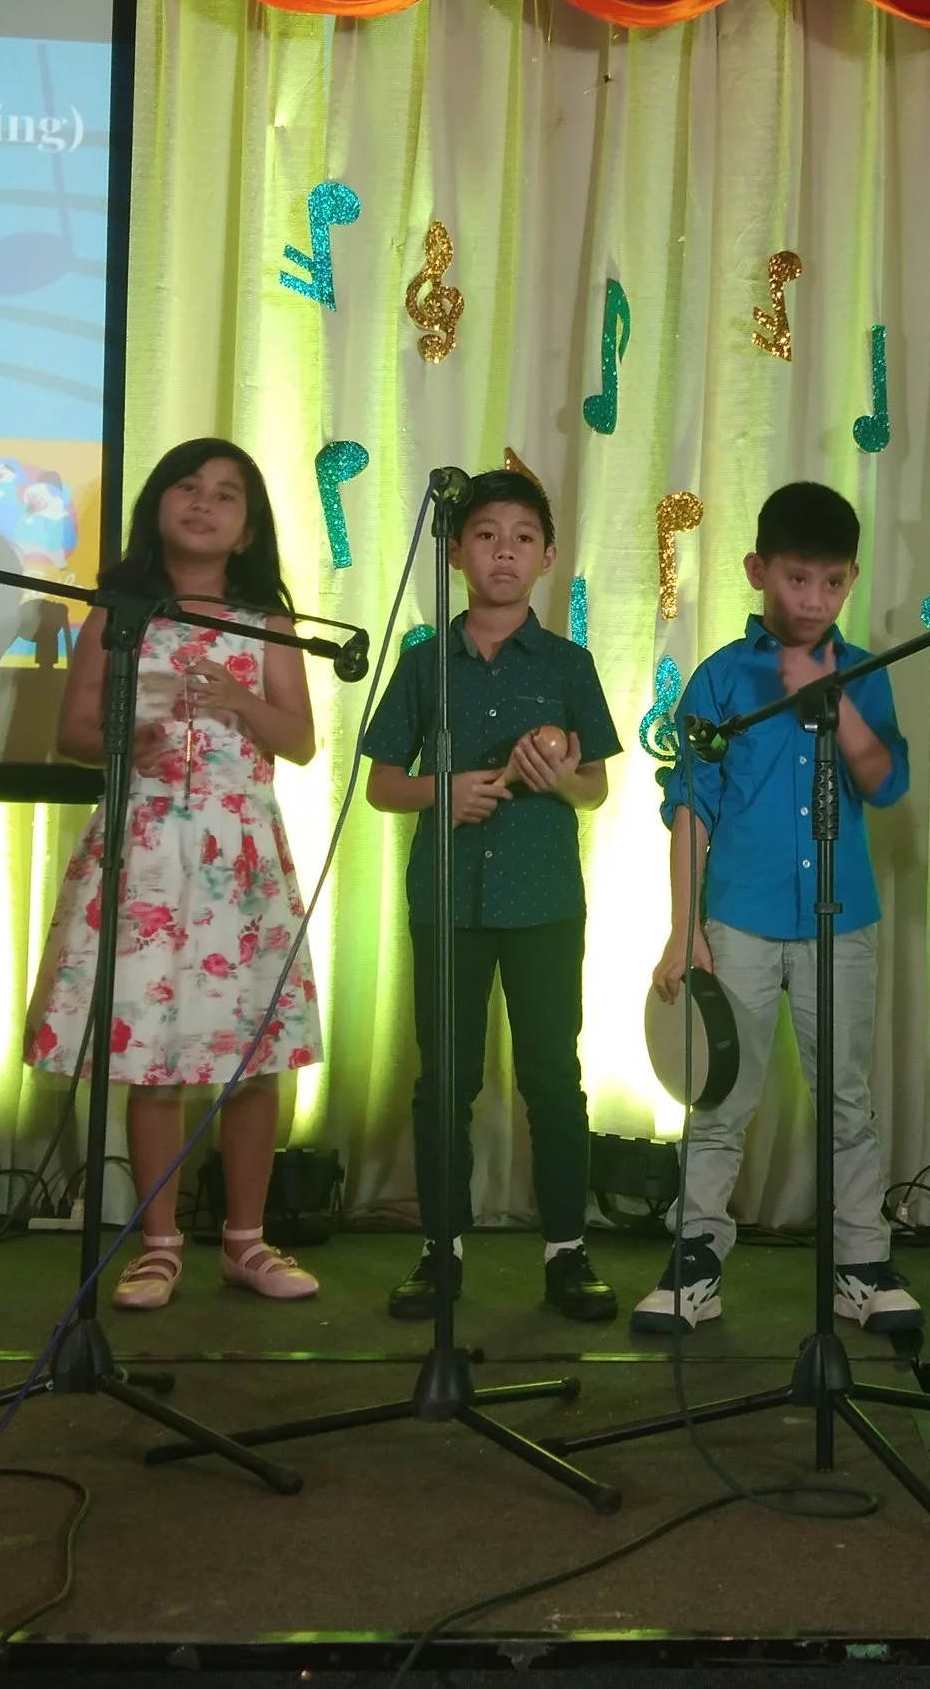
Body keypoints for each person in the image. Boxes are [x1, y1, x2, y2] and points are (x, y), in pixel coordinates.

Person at [23, 439, 325, 1309]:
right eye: (187, 487)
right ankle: (156, 1243)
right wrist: (127, 734)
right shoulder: (119, 615)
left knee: (251, 1059)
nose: (203, 503)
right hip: (148, 848)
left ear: (248, 529)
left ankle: (245, 1240)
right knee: (148, 1057)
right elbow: (70, 733)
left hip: (238, 858)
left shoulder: (266, 621)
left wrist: (236, 701)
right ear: (158, 504)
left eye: (226, 494)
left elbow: (299, 738)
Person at [640, 483, 921, 1334]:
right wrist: (683, 929)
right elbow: (691, 806)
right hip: (739, 919)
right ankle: (695, 1255)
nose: (813, 600)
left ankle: (861, 1261)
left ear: (852, 580)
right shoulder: (722, 679)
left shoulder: (860, 671)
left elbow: (887, 780)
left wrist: (833, 705)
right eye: (797, 579)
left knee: (847, 1097)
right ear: (759, 570)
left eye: (832, 583)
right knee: (721, 1094)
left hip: (845, 917)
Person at [363, 469, 623, 1323]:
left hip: (546, 900)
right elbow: (382, 787)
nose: (502, 551)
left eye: (521, 537)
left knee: (554, 1078)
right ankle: (441, 1249)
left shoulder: (569, 664)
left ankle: (566, 1251)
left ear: (547, 557)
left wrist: (558, 781)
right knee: (446, 1081)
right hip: (446, 904)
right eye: (484, 535)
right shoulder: (422, 664)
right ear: (456, 550)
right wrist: (445, 790)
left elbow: (596, 789)